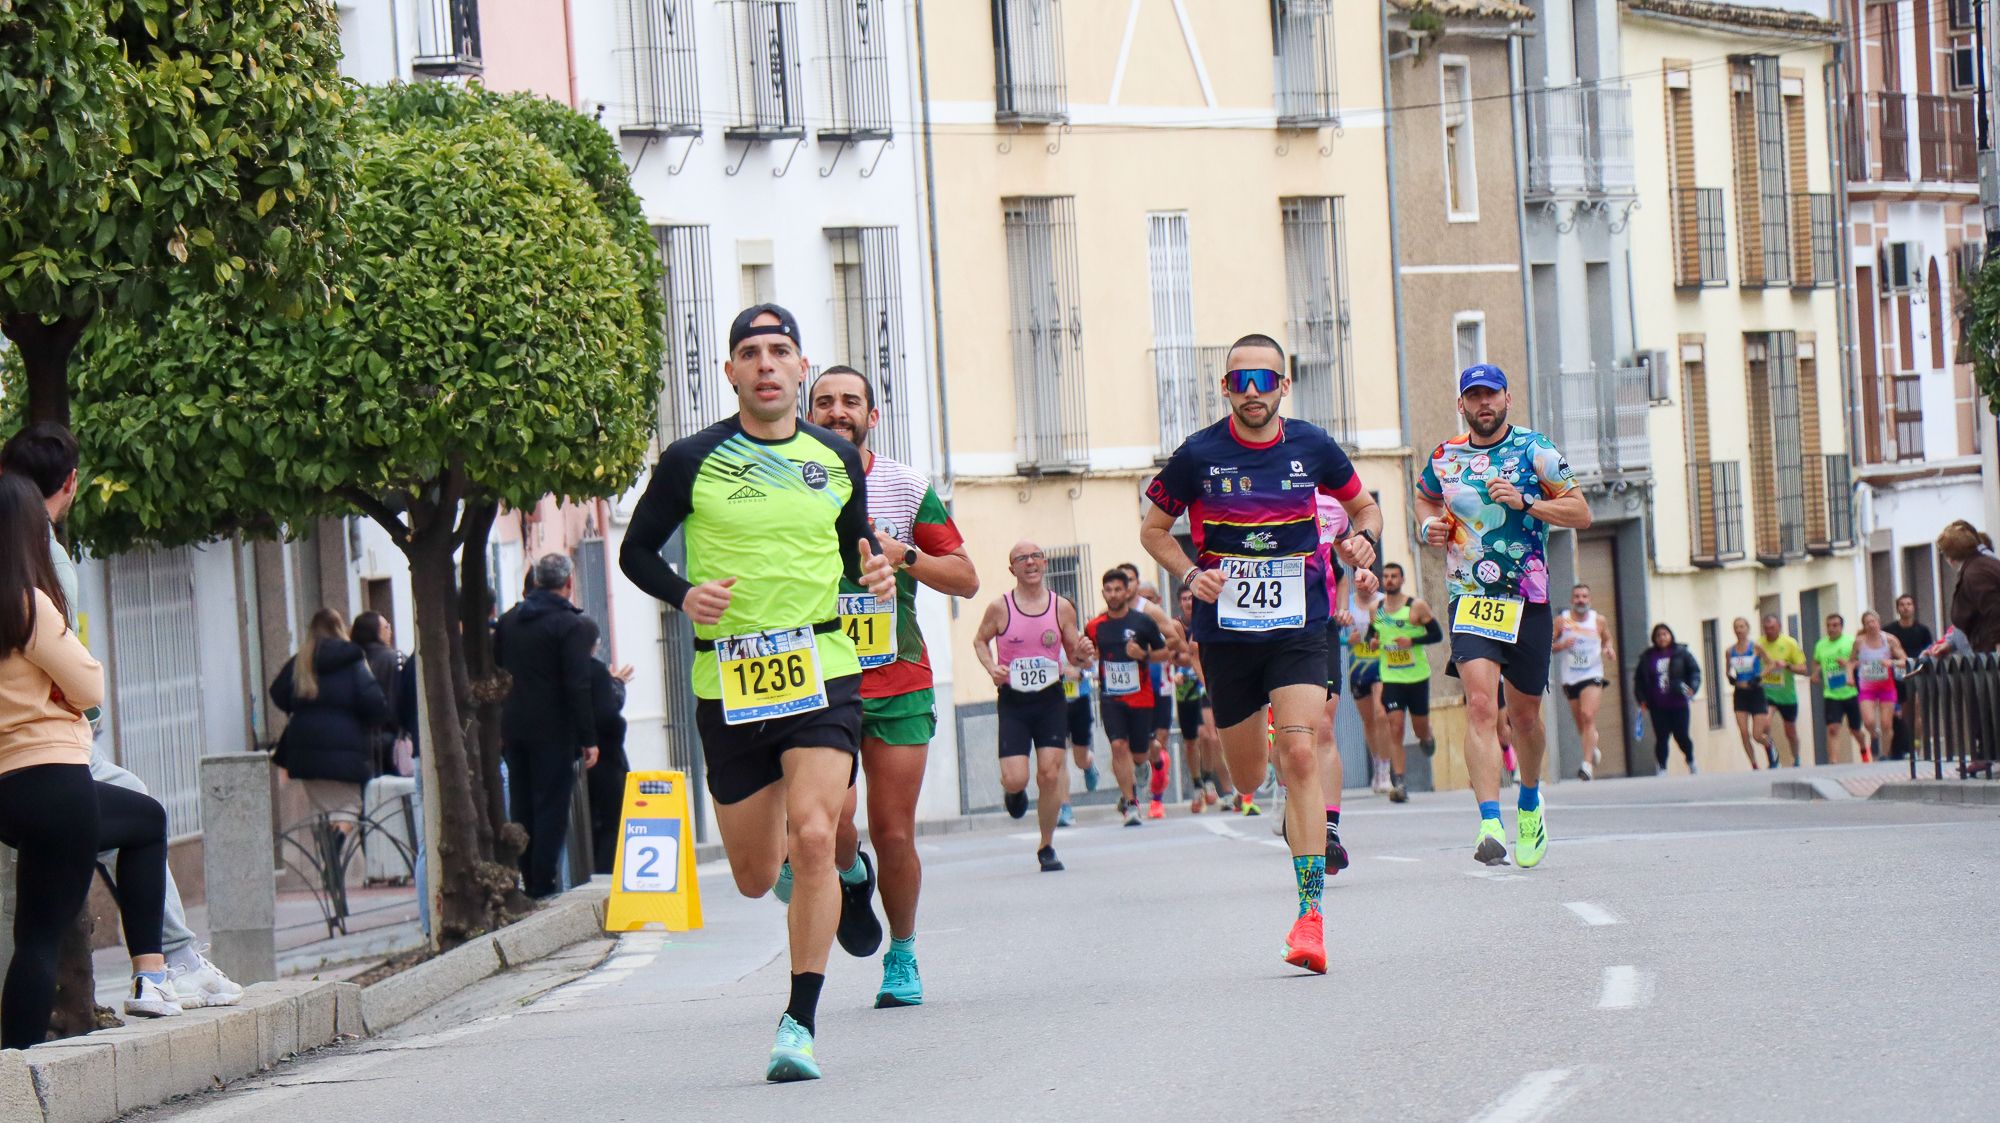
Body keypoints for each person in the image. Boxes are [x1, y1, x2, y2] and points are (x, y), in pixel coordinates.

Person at [618, 303, 895, 1082]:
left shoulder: (835, 459)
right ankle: (836, 879)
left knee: (813, 832)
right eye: (751, 351)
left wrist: (871, 572)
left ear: (801, 370)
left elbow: (856, 550)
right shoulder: (690, 459)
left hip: (821, 664)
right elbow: (636, 552)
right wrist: (681, 594)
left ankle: (798, 1024)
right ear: (732, 372)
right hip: (729, 676)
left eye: (781, 350)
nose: (767, 363)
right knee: (751, 873)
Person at [1141, 332, 1382, 975]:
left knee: (1301, 749)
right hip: (1227, 633)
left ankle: (1310, 918)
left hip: (1301, 621)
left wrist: (1362, 541)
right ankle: (1276, 794)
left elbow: (1363, 507)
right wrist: (1193, 577)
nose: (1253, 392)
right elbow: (1153, 530)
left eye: (1265, 380)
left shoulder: (1313, 445)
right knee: (1248, 777)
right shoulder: (1197, 455)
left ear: (1283, 386)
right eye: (1241, 382)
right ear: (1226, 389)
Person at [0, 422, 243, 1009]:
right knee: (143, 817)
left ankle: (161, 968)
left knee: (33, 932)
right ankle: (166, 965)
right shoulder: (37, 573)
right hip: (51, 756)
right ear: (70, 484)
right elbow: (84, 680)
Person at [805, 366, 980, 1006]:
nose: (837, 411)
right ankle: (852, 877)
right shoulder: (783, 481)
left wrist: (899, 552)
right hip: (819, 677)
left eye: (850, 401)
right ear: (808, 413)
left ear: (871, 416)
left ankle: (902, 954)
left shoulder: (905, 486)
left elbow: (965, 578)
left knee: (894, 831)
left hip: (898, 678)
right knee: (832, 823)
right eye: (823, 402)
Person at [0, 473, 186, 1048]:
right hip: (56, 784)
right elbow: (88, 684)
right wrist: (60, 693)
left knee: (143, 819)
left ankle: (13, 1067)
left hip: (6, 794)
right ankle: (150, 973)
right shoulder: (28, 605)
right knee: (38, 937)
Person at [1415, 364, 1589, 868]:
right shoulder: (1445, 457)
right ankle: (1490, 821)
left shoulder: (1537, 450)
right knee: (1480, 707)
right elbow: (1426, 495)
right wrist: (1430, 524)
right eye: (1473, 397)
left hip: (1527, 598)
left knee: (1526, 716)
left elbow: (1581, 512)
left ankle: (1529, 800)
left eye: (1490, 395)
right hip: (1469, 595)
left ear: (1507, 398)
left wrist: (1528, 502)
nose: (1482, 404)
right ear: (1461, 405)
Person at [972, 541, 1092, 873]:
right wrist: (991, 667)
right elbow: (980, 640)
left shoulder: (1061, 607)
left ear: (1045, 564)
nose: (1030, 562)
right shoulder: (1000, 608)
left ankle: (1047, 844)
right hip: (1013, 700)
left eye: (1036, 556)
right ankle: (1013, 793)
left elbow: (1075, 653)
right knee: (1015, 778)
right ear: (1012, 569)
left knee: (1050, 773)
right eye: (1022, 559)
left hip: (1051, 697)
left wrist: (1083, 653)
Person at [494, 555, 602, 899]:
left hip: (513, 726)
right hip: (554, 731)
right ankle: (543, 883)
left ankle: (525, 876)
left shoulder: (509, 621)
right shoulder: (569, 625)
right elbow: (577, 684)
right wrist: (588, 737)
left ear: (537, 581)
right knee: (552, 807)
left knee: (522, 805)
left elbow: (497, 673)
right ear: (568, 583)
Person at [271, 608, 391, 818]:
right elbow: (375, 704)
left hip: (304, 751)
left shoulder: (301, 661)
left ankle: (330, 848)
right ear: (339, 629)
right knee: (350, 807)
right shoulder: (353, 659)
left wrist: (301, 708)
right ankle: (338, 843)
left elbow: (278, 693)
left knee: (322, 813)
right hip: (345, 750)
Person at [1083, 569, 1171, 827]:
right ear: (1103, 593)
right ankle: (1130, 803)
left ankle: (1141, 766)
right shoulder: (1095, 626)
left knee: (1140, 753)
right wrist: (1085, 654)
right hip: (1111, 699)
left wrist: (1142, 655)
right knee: (1118, 746)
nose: (1113, 594)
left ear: (1127, 591)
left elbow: (1165, 652)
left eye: (1118, 589)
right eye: (1108, 590)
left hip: (1141, 697)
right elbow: (1084, 654)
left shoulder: (1142, 622)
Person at [1373, 562, 1441, 777]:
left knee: (1419, 727)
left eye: (1394, 576)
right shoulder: (1377, 609)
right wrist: (1372, 642)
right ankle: (1399, 780)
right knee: (1395, 727)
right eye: (1386, 576)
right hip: (1391, 677)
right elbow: (1375, 635)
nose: (1390, 580)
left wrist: (1412, 640)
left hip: (1417, 676)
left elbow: (1437, 635)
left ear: (1402, 580)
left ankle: (1426, 736)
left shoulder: (1416, 607)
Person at [1552, 584, 1617, 779]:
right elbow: (1548, 645)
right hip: (1570, 677)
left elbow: (1607, 640)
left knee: (1588, 715)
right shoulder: (1562, 621)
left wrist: (1608, 649)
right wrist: (1562, 645)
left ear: (1590, 599)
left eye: (1584, 596)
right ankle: (1592, 746)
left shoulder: (1598, 620)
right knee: (1580, 721)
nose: (1581, 600)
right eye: (1577, 596)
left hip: (1592, 673)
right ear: (1572, 600)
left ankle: (1587, 764)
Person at [586, 650, 634, 876]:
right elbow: (609, 710)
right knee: (611, 824)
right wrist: (617, 684)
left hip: (590, 761)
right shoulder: (592, 670)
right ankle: (606, 876)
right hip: (605, 762)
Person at [1634, 623, 1700, 773]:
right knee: (1661, 737)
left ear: (1670, 635)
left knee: (1681, 735)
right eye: (1658, 635)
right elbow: (1639, 680)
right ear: (1654, 639)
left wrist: (1692, 688)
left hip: (1679, 703)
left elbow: (1694, 672)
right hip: (1658, 705)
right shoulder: (1648, 657)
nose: (1662, 638)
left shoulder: (1681, 652)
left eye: (1665, 634)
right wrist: (1642, 699)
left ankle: (1690, 760)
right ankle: (1662, 767)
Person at [350, 612, 406, 778]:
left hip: (356, 743)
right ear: (377, 632)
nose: (391, 631)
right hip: (391, 742)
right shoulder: (396, 659)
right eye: (387, 627)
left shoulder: (350, 661)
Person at [1881, 595, 1933, 759]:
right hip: (1896, 677)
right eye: (1902, 605)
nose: (1905, 607)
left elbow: (1930, 652)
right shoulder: (1889, 631)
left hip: (1917, 674)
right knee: (1902, 714)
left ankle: (1917, 747)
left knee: (1916, 711)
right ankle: (1897, 748)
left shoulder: (1923, 631)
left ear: (1914, 607)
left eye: (1909, 604)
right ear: (1897, 608)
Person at [1936, 520, 2000, 653]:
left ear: (1950, 557)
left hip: (1990, 652)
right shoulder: (1985, 565)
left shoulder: (1975, 574)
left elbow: (1994, 610)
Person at [1853, 611, 1907, 765]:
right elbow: (1852, 660)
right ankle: (1874, 735)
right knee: (1869, 721)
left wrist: (1892, 663)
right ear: (1864, 625)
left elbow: (1904, 660)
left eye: (1873, 621)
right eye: (1867, 622)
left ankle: (1884, 754)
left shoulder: (1889, 640)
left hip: (1886, 686)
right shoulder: (1859, 642)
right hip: (1867, 686)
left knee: (1886, 723)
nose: (1871, 625)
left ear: (1878, 622)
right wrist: (1850, 673)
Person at [1724, 617, 1775, 769]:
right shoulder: (1729, 651)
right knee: (1744, 733)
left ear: (1747, 628)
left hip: (1755, 692)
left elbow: (1771, 664)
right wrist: (1731, 677)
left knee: (1757, 734)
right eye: (1736, 627)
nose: (1739, 630)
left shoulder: (1756, 648)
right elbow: (1728, 670)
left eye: (1742, 626)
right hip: (1740, 694)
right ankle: (1754, 764)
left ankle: (1771, 749)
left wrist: (1759, 677)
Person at [1811, 614, 1862, 764]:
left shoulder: (1850, 642)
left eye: (1835, 625)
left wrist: (1847, 664)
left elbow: (1859, 662)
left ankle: (1864, 747)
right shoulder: (1820, 645)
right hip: (1831, 693)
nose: (1831, 629)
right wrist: (1815, 674)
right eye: (1829, 626)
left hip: (1850, 691)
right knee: (1833, 728)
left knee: (1855, 730)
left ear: (1841, 627)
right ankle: (1833, 761)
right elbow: (1816, 661)